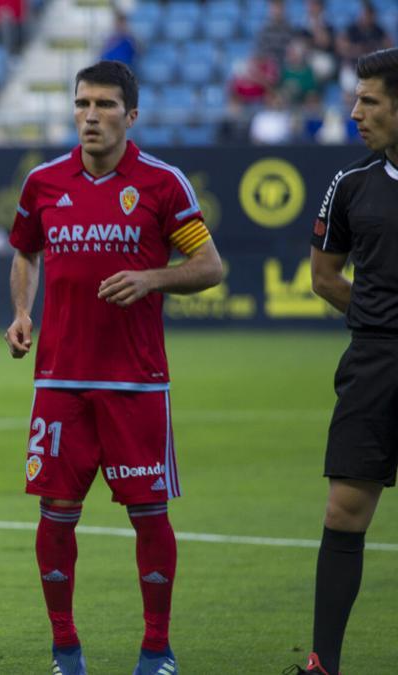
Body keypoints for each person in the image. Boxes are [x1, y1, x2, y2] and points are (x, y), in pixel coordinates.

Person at [4, 61, 223, 675]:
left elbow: (210, 266)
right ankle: (65, 649)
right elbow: (25, 250)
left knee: (149, 514)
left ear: (131, 115)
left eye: (103, 105)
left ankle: (157, 649)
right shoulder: (44, 182)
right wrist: (22, 311)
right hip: (58, 381)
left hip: (135, 382)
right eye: (81, 104)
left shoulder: (162, 184)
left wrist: (152, 277)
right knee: (55, 515)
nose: (90, 116)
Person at [297, 47, 398, 675]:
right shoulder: (351, 183)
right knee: (344, 510)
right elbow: (324, 277)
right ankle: (323, 664)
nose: (354, 111)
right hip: (375, 362)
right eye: (356, 99)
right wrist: (378, 319)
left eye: (369, 101)